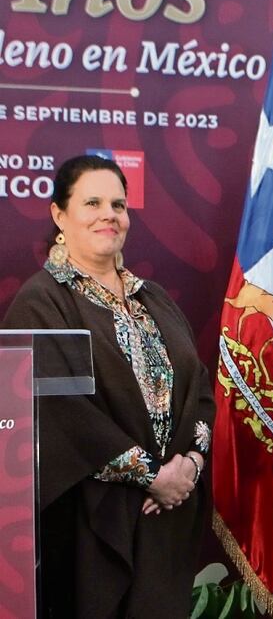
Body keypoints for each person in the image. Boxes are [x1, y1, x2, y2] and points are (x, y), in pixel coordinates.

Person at [1, 155, 215, 617]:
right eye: (92, 202)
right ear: (59, 214)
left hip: (166, 518)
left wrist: (188, 468)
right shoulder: (41, 302)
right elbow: (60, 415)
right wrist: (151, 476)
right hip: (92, 527)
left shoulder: (151, 296)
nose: (108, 214)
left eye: (118, 204)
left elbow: (199, 385)